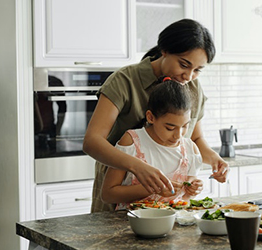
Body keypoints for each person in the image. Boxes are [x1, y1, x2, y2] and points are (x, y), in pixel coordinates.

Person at [83, 18, 229, 212]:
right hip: (119, 197)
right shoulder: (125, 80)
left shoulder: (192, 87)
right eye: (184, 65)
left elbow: (195, 138)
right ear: (165, 50)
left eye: (197, 70)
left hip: (168, 206)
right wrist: (137, 167)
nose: (189, 76)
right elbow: (92, 141)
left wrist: (214, 159)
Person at [102, 79, 203, 210]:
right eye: (170, 128)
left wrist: (194, 188)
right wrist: (151, 189)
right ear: (150, 117)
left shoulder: (190, 149)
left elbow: (186, 197)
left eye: (185, 126)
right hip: (131, 224)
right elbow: (108, 194)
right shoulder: (132, 142)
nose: (179, 135)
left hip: (174, 224)